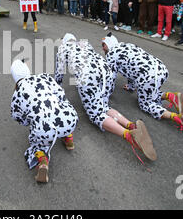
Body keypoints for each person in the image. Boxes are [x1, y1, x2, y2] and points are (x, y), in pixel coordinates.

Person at [55, 34, 156, 163]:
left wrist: (57, 92)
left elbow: (59, 74)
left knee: (96, 113)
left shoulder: (63, 48)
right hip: (104, 70)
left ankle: (129, 135)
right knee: (103, 106)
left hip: (88, 74)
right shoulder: (84, 42)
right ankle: (131, 125)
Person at [102, 33, 183, 136]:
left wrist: (104, 97)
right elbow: (131, 67)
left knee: (146, 104)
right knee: (149, 90)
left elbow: (110, 78)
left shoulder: (111, 55)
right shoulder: (125, 45)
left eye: (103, 45)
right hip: (161, 69)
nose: (103, 48)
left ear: (109, 44)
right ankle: (171, 96)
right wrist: (131, 86)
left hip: (149, 77)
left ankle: (177, 118)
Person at [10, 60, 78, 183]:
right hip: (70, 119)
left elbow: (17, 117)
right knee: (61, 112)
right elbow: (61, 94)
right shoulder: (44, 77)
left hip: (44, 130)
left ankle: (42, 162)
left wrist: (30, 122)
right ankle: (68, 139)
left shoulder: (17, 94)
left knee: (37, 142)